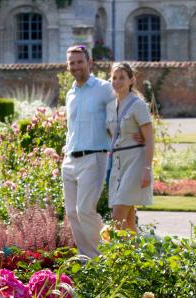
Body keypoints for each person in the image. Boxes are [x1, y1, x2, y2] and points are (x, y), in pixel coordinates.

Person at [61, 45, 116, 258]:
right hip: (70, 159)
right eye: (71, 63)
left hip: (94, 157)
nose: (76, 66)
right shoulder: (70, 94)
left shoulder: (104, 88)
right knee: (72, 213)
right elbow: (71, 127)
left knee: (85, 210)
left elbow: (120, 113)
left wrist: (134, 133)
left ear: (89, 62)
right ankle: (87, 258)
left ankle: (104, 254)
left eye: (80, 62)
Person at [106, 62, 154, 232]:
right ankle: (135, 256)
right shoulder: (110, 107)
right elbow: (111, 135)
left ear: (131, 80)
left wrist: (147, 168)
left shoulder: (138, 105)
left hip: (136, 162)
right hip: (117, 163)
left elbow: (149, 138)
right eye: (114, 78)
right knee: (129, 221)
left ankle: (111, 256)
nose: (117, 81)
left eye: (122, 78)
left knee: (117, 217)